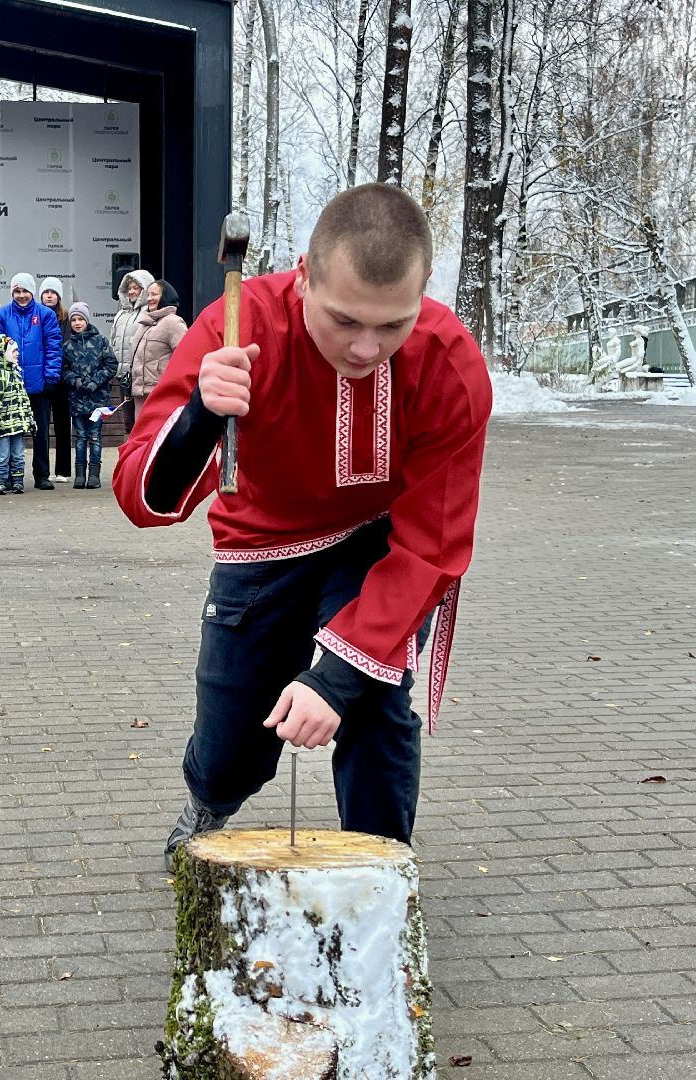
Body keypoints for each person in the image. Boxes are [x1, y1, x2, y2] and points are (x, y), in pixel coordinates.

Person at [111, 183, 492, 861]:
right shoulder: (237, 326)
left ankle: (380, 867)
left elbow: (434, 545)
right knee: (230, 734)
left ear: (424, 288)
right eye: (345, 320)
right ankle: (209, 804)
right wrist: (201, 413)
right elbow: (144, 498)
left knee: (375, 697)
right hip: (259, 544)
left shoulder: (449, 360)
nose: (367, 348)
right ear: (304, 273)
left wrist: (336, 679)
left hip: (376, 542)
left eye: (393, 325)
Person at [0, 273, 61, 490]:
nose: (21, 295)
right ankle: (10, 476)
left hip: (38, 384)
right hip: (10, 386)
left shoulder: (46, 314)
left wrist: (51, 377)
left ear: (32, 292)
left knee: (40, 432)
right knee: (9, 432)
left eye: (25, 291)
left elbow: (53, 347)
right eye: (17, 292)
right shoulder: (1, 315)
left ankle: (42, 475)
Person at [60, 302, 117, 489]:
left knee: (94, 437)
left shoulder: (101, 341)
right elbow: (64, 370)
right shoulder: (68, 346)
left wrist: (95, 381)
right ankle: (79, 474)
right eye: (74, 320)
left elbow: (111, 365)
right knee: (80, 437)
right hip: (77, 400)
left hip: (97, 400)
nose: (77, 323)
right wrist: (76, 381)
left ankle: (94, 474)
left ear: (87, 320)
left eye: (80, 319)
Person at [129, 279, 187, 422]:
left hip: (162, 394)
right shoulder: (144, 324)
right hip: (140, 393)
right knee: (141, 433)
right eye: (148, 294)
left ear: (165, 296)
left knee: (159, 433)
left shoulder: (173, 322)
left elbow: (185, 357)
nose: (149, 298)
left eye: (154, 294)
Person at [0, 334, 34, 495]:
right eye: (13, 351)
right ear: (1, 354)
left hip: (17, 425)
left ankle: (18, 481)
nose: (17, 354)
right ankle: (0, 481)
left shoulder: (17, 373)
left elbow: (24, 400)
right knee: (2, 455)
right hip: (3, 427)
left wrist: (30, 420)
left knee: (18, 455)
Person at [109, 268, 154, 436]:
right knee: (128, 421)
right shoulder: (120, 315)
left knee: (143, 420)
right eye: (129, 288)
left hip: (143, 376)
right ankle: (130, 451)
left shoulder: (150, 312)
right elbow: (113, 341)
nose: (132, 291)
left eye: (136, 288)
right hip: (124, 377)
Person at [38, 276, 73, 484]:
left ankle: (63, 470)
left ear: (59, 296)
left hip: (62, 378)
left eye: (53, 292)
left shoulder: (67, 318)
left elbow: (68, 345)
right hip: (41, 378)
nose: (49, 296)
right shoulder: (35, 315)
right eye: (46, 292)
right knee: (42, 425)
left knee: (62, 424)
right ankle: (42, 470)